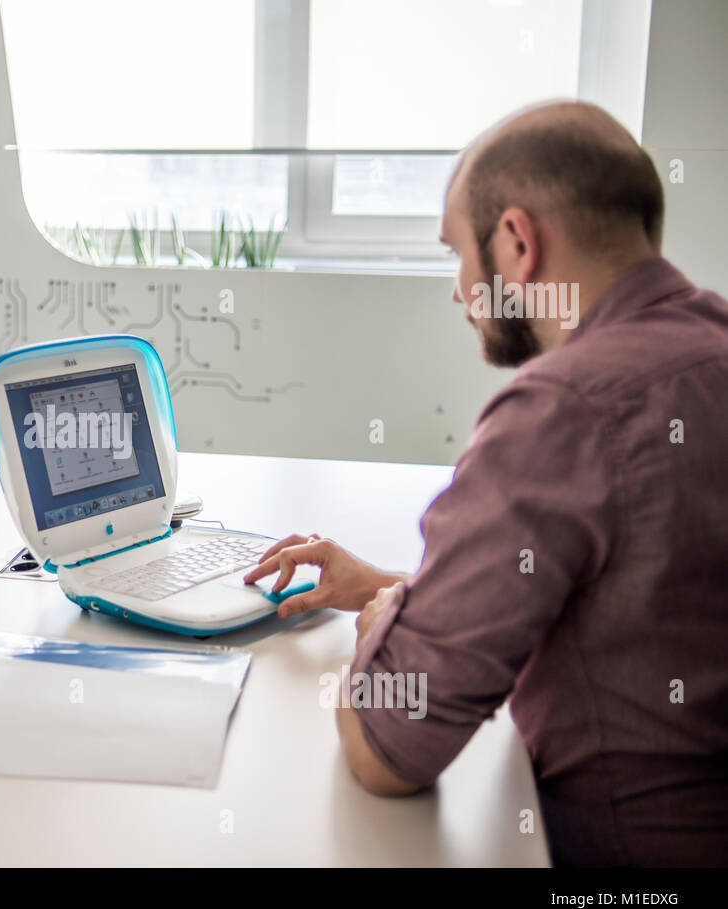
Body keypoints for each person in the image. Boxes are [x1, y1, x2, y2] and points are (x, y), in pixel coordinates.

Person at [245, 101, 728, 866]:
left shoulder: (563, 408)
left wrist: (386, 622)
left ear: (517, 241)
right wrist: (404, 584)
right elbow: (632, 602)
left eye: (457, 253)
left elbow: (385, 744)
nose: (458, 287)